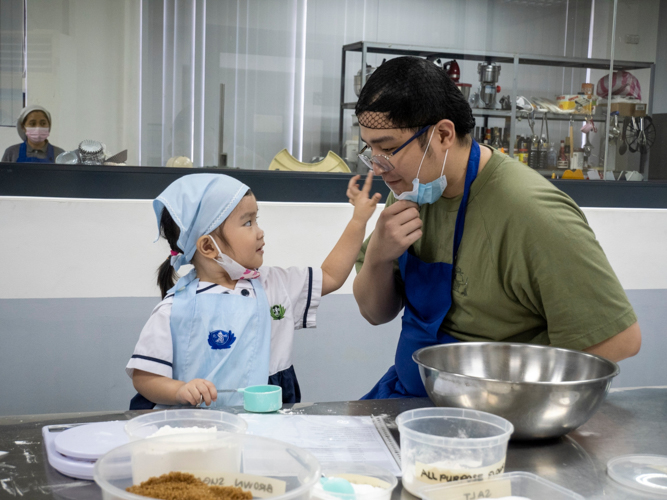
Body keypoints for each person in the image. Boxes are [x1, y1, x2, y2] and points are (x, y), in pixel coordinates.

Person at [352, 57, 641, 400]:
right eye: (370, 151)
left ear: (443, 134)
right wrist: (378, 259)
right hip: (410, 397)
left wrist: (503, 396)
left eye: (387, 149)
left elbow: (621, 340)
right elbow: (375, 313)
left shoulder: (530, 213)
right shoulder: (411, 190)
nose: (379, 167)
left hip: (495, 414)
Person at [126, 172, 381, 409]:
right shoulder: (173, 310)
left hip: (271, 416)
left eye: (256, 219)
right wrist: (179, 390)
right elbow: (145, 377)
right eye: (248, 222)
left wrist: (359, 221)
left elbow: (332, 276)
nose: (260, 232)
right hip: (201, 428)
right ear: (208, 246)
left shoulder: (275, 284)